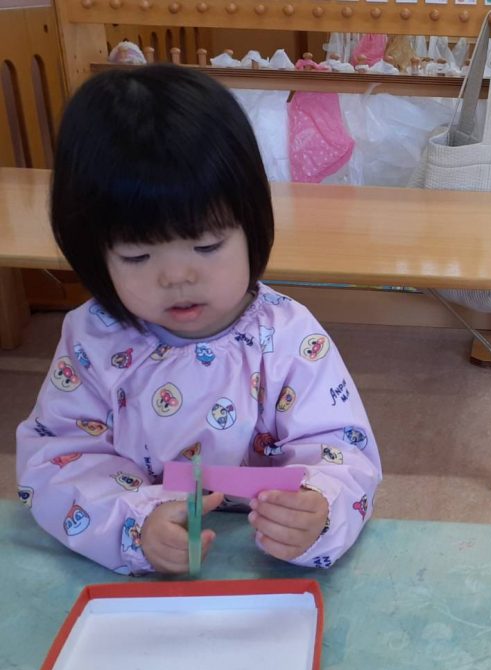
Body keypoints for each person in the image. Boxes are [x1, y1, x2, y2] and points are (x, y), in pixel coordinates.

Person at [15, 65, 382, 575]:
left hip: (265, 561)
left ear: (253, 225)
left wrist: (319, 508)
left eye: (207, 246)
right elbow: (59, 460)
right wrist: (135, 526)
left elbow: (343, 451)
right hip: (137, 565)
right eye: (137, 256)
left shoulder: (288, 336)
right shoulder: (93, 339)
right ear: (94, 253)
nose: (177, 277)